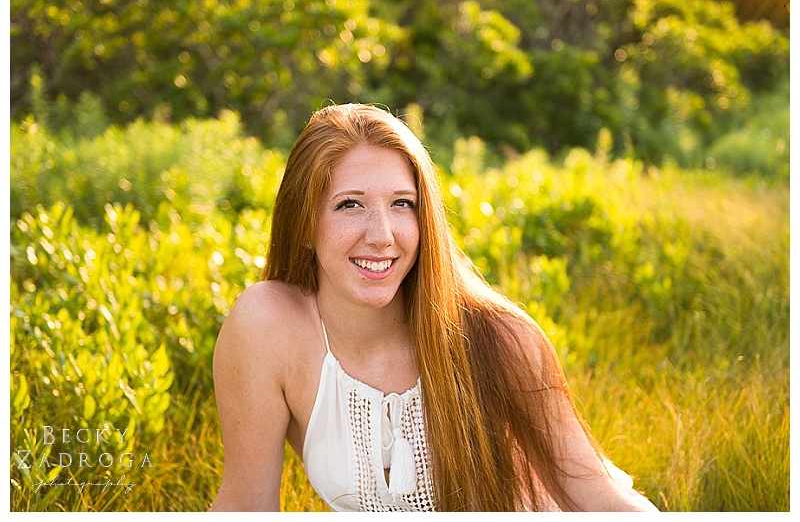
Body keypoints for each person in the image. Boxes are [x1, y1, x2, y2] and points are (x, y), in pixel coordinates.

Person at [210, 103, 658, 512]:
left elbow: (600, 498)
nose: (382, 235)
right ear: (305, 220)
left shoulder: (499, 338)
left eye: (402, 204)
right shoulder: (268, 326)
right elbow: (246, 506)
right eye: (350, 205)